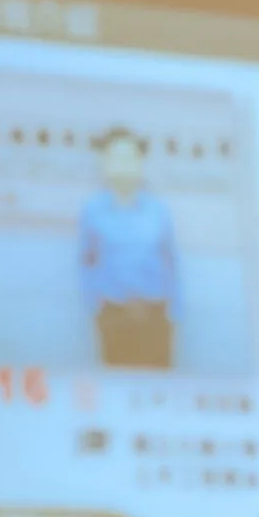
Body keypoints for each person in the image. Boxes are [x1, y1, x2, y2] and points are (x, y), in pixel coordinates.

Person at [79, 126, 181, 369]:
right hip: (113, 315)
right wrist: (95, 307)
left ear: (140, 162)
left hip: (155, 315)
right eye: (115, 158)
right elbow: (85, 262)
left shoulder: (158, 210)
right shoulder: (93, 211)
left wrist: (175, 313)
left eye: (129, 158)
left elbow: (172, 261)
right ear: (104, 163)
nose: (123, 165)